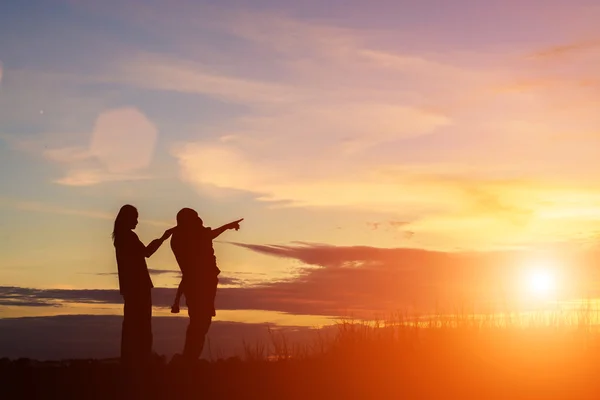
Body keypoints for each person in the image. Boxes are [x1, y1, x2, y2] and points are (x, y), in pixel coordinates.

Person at [170, 208, 242, 361]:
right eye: (195, 217)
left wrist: (177, 298)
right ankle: (189, 358)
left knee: (200, 322)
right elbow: (189, 270)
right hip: (199, 286)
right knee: (199, 323)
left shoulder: (185, 236)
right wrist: (227, 226)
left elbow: (207, 237)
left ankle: (190, 357)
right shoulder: (187, 237)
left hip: (203, 284)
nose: (199, 220)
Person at [112, 204, 175, 367]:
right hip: (138, 286)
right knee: (142, 324)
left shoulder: (120, 238)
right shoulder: (129, 237)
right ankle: (141, 359)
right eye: (135, 218)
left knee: (131, 325)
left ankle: (132, 359)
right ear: (128, 219)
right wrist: (163, 238)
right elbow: (147, 252)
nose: (137, 222)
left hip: (130, 287)